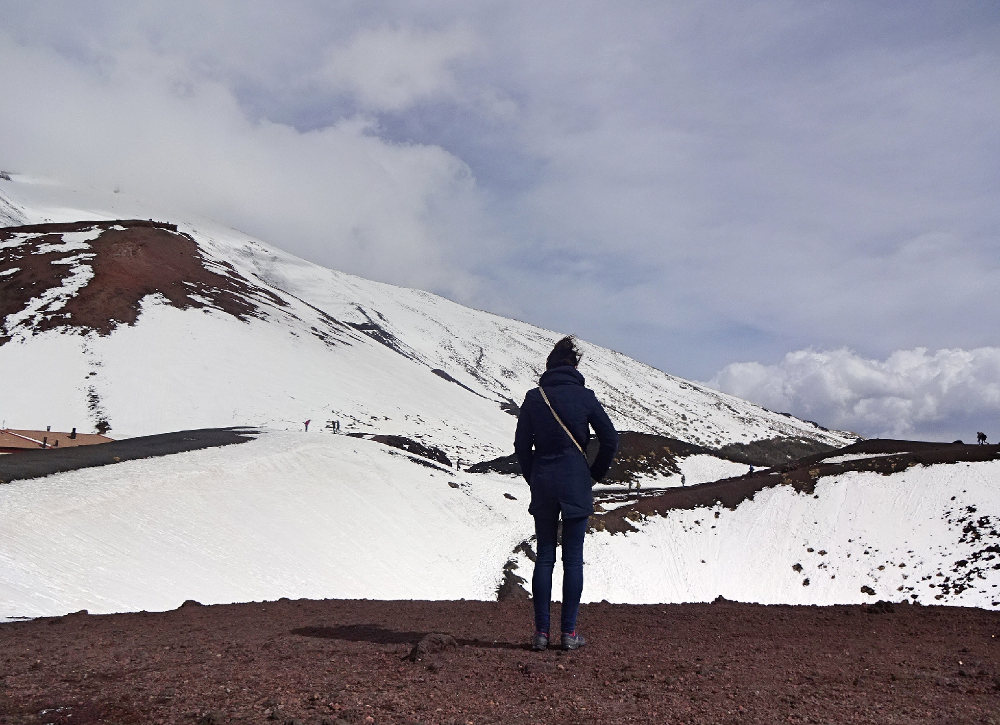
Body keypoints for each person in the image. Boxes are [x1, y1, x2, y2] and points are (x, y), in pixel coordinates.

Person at [514, 336, 619, 652]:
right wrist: (593, 474)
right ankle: (569, 634)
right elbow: (610, 439)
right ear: (574, 367)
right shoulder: (585, 397)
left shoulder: (535, 398)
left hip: (544, 482)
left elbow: (521, 446)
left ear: (548, 367)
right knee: (573, 558)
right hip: (576, 483)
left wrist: (535, 476)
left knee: (544, 556)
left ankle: (541, 634)